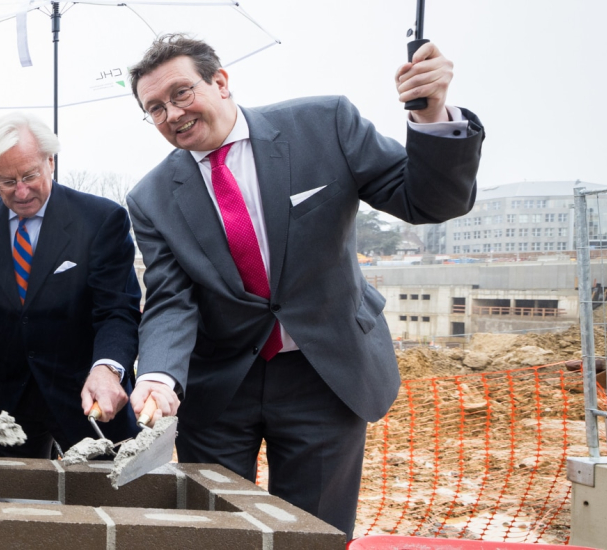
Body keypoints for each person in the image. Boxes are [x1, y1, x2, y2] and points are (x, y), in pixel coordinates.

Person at [125, 34, 483, 535]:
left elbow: (427, 202)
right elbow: (170, 300)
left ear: (221, 81)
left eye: (181, 93)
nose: (172, 114)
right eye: (155, 108)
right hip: (219, 387)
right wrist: (159, 376)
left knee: (312, 533)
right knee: (215, 534)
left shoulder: (324, 124)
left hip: (324, 373)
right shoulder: (151, 197)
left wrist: (431, 114)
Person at [0, 113, 142, 459]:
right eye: (7, 181)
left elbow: (117, 310)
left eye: (30, 176)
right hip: (10, 404)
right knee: (11, 508)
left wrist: (108, 368)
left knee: (109, 502)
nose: (21, 192)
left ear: (50, 162)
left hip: (89, 394)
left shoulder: (100, 220)